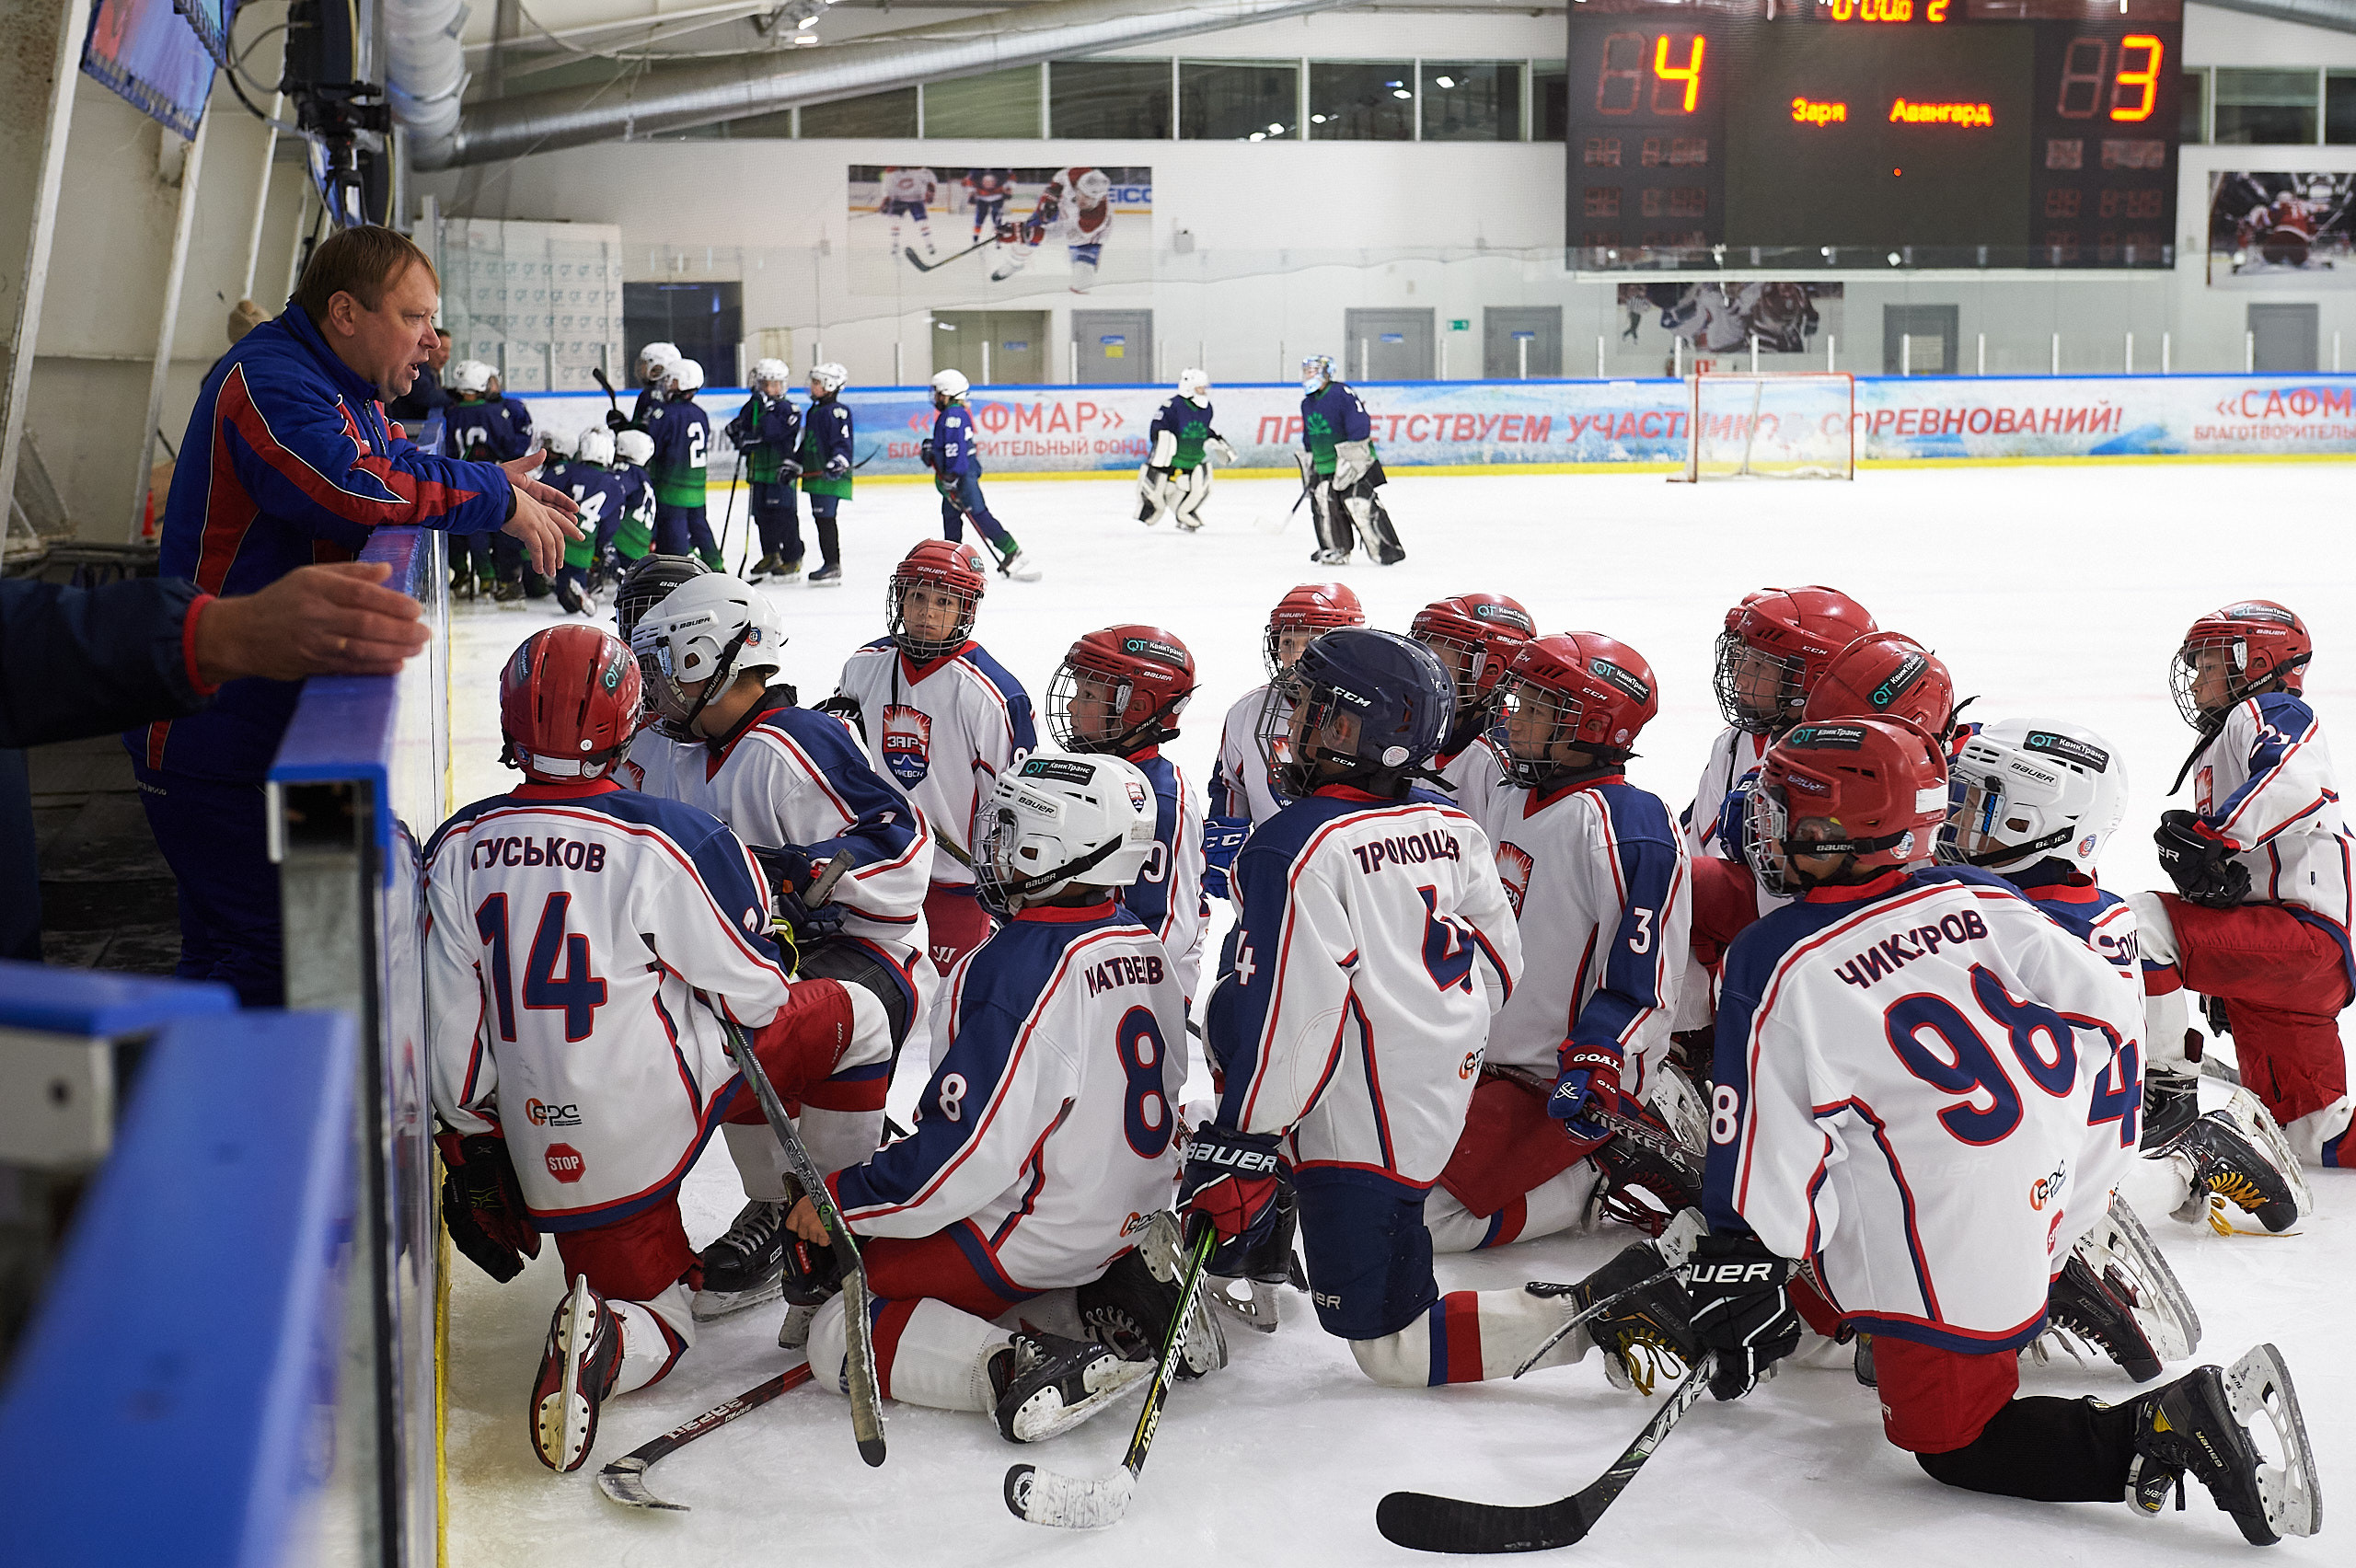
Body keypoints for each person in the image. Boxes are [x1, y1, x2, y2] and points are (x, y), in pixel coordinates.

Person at [1695, 714, 2318, 1546]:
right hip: (2050, 1190)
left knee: (1951, 1439)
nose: (1764, 828)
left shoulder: (1774, 956)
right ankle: (2006, 1286)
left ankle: (2173, 1424)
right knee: (1871, 1163)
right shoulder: (1981, 893)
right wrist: (2075, 1193)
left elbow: (1763, 1153)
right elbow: (2107, 1018)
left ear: (1837, 831)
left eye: (1783, 812)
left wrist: (1744, 1257)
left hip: (1950, 1230)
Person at [424, 624, 895, 1474]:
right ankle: (828, 1227)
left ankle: (606, 1336)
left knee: (658, 1318)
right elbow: (755, 995)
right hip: (670, 1095)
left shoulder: (455, 848)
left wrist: (474, 1146)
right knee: (862, 1016)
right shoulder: (670, 837)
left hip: (553, 1147)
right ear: (625, 717)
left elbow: (455, 1052)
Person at [1183, 628, 1691, 1389]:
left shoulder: (1294, 847)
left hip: (1382, 1110)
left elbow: (1292, 1025)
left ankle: (1600, 1303)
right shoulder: (1450, 820)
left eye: (1313, 710)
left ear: (1352, 731)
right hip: (1439, 1081)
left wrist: (1244, 1143)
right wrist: (1423, 1030)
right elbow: (1498, 965)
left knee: (1392, 1343)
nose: (1291, 727)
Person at [139, 223, 577, 1008]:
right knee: (273, 960)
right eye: (415, 318)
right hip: (213, 737)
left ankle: (201, 1083)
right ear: (346, 312)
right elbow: (352, 489)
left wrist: (488, 481)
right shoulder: (270, 382)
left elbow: (393, 461)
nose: (432, 341)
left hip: (249, 724)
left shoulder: (338, 384)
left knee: (231, 953)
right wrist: (493, 501)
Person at [791, 754, 1216, 1441]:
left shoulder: (1009, 970)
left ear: (1050, 848)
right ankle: (1111, 1295)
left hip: (1038, 1231)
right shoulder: (1145, 945)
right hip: (1125, 1214)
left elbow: (965, 1156)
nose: (992, 846)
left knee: (840, 1326)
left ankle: (1018, 1365)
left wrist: (845, 1200)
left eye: (1009, 829)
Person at [622, 573, 935, 1323]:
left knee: (743, 1023)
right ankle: (777, 1205)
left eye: (664, 666)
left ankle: (839, 1213)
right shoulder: (679, 747)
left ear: (705, 658)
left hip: (865, 955)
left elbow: (902, 848)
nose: (653, 687)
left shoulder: (795, 741)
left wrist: (801, 873)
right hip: (767, 953)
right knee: (694, 1017)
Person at [1943, 718, 2306, 1242]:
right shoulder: (2077, 905)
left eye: (1980, 807)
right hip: (2063, 1134)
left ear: (2036, 823)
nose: (1955, 822)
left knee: (2014, 1218)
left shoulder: (2017, 927)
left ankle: (2191, 1161)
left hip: (2063, 1157)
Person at [5, 563, 430, 962]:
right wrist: (219, 634)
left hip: (214, 726)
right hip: (209, 739)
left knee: (219, 942)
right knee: (263, 949)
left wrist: (214, 635)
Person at [1427, 632, 1695, 1255]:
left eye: (1538, 707)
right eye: (1518, 699)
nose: (1513, 717)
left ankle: (1597, 1172)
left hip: (1560, 1079)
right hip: (1476, 1058)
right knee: (1359, 1176)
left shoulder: (1629, 826)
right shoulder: (1507, 792)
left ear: (1594, 726)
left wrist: (1601, 1056)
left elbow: (1645, 978)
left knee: (1423, 1221)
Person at [2132, 599, 2353, 1168]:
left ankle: (2166, 1090)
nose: (2195, 681)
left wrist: (2216, 837)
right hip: (2292, 963)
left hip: (2302, 942)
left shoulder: (2271, 709)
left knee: (2137, 927)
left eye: (2209, 665)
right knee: (2312, 1135)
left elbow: (2298, 784)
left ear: (2254, 662)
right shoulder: (2229, 739)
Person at [832, 539, 1037, 978]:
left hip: (958, 884)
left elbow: (1017, 805)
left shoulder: (992, 695)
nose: (927, 611)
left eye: (944, 601)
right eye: (918, 596)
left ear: (966, 609)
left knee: (947, 1000)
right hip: (879, 867)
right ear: (900, 599)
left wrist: (1007, 883)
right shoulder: (864, 666)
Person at [1044, 625, 1208, 1003]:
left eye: (1088, 694)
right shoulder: (1086, 773)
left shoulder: (1161, 800)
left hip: (1138, 997)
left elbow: (1166, 929)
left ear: (1137, 708)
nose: (1071, 706)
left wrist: (1113, 998)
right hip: (1089, 978)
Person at [1202, 582, 1365, 899]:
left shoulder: (1371, 713)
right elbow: (1230, 783)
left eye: (1312, 642)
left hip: (1353, 881)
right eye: (1288, 642)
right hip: (1275, 874)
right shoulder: (1248, 711)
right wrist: (1227, 836)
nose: (1297, 655)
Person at [1407, 592, 1535, 805]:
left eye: (1438, 667)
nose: (1422, 678)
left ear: (1491, 672)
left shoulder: (1504, 762)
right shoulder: (1413, 733)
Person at [923, 369, 1039, 582]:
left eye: (938, 393)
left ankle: (1012, 550)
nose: (936, 397)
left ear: (948, 393)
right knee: (950, 516)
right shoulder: (954, 414)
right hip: (956, 476)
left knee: (978, 514)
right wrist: (932, 451)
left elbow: (955, 449)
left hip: (960, 478)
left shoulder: (953, 416)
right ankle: (953, 559)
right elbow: (946, 446)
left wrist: (952, 477)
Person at [1298, 354, 1403, 566]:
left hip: (1349, 459)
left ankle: (1387, 549)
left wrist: (1353, 455)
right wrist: (1310, 458)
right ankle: (1334, 548)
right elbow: (1309, 435)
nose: (1308, 375)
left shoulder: (1341, 393)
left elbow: (1360, 423)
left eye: (1313, 371)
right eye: (1306, 371)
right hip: (1323, 461)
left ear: (1326, 373)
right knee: (1323, 502)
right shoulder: (1307, 403)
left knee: (1358, 502)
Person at [727, 358, 803, 582]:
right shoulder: (752, 406)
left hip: (779, 471)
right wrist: (741, 438)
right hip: (758, 469)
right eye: (765, 384)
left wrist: (762, 419)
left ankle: (793, 557)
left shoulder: (789, 409)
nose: (770, 389)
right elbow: (737, 430)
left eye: (775, 384)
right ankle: (771, 554)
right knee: (762, 516)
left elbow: (772, 433)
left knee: (784, 516)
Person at [1137, 370, 1238, 532]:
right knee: (1158, 492)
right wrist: (1162, 443)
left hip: (1194, 459)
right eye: (1200, 388)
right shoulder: (1172, 406)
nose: (1204, 391)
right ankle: (1148, 511)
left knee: (1202, 486)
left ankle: (1185, 512)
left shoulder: (1207, 408)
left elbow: (1203, 428)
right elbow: (1157, 429)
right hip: (1171, 461)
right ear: (1189, 388)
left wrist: (1216, 439)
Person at [991, 166, 1114, 291]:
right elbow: (1061, 177)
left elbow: (1062, 235)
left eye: (1090, 198)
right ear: (1078, 187)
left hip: (1087, 237)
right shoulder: (1076, 174)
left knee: (1083, 280)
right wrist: (1052, 193)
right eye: (1082, 194)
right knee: (1029, 232)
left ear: (1100, 198)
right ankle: (1014, 263)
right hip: (1060, 211)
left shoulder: (1096, 218)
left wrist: (1027, 233)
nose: (1083, 201)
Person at [552, 428, 632, 616]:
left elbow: (544, 488)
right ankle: (580, 589)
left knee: (541, 569)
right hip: (584, 547)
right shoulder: (615, 486)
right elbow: (609, 527)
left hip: (556, 536)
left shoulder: (569, 470)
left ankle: (555, 582)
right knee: (571, 582)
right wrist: (600, 545)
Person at [646, 358, 717, 568]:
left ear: (684, 383)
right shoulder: (700, 413)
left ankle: (679, 571)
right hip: (697, 490)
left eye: (672, 380)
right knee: (700, 528)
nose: (667, 384)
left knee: (673, 536)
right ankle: (717, 566)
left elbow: (651, 446)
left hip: (670, 488)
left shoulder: (665, 413)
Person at [799, 363, 853, 586]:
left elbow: (843, 443)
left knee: (826, 519)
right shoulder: (814, 411)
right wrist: (794, 462)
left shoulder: (838, 412)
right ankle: (830, 564)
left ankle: (832, 564)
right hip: (816, 475)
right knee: (821, 519)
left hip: (830, 477)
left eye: (816, 383)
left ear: (830, 385)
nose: (812, 386)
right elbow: (808, 443)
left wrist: (838, 461)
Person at [385, 325, 452, 448]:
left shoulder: (433, 373)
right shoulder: (415, 371)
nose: (447, 356)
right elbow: (426, 396)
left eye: (449, 351)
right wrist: (455, 397)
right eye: (443, 349)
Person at [608, 429, 660, 576]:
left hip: (623, 544)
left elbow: (612, 494)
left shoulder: (629, 471)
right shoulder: (644, 477)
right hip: (640, 549)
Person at [614, 340, 677, 432]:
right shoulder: (674, 394)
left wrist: (621, 427)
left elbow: (642, 432)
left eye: (644, 364)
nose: (640, 369)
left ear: (657, 367)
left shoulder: (650, 395)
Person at [880, 166, 940, 260]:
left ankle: (929, 244)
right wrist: (886, 199)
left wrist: (930, 192)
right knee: (895, 220)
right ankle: (895, 244)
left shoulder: (922, 171)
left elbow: (931, 182)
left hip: (916, 199)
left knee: (922, 222)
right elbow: (887, 187)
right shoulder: (892, 173)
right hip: (899, 199)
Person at [964, 167, 1014, 244]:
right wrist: (971, 194)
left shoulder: (1001, 171)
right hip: (982, 198)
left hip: (997, 197)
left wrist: (1009, 189)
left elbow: (1010, 177)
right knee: (979, 219)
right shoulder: (976, 173)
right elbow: (970, 181)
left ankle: (998, 237)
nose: (989, 184)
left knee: (997, 220)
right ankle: (976, 238)